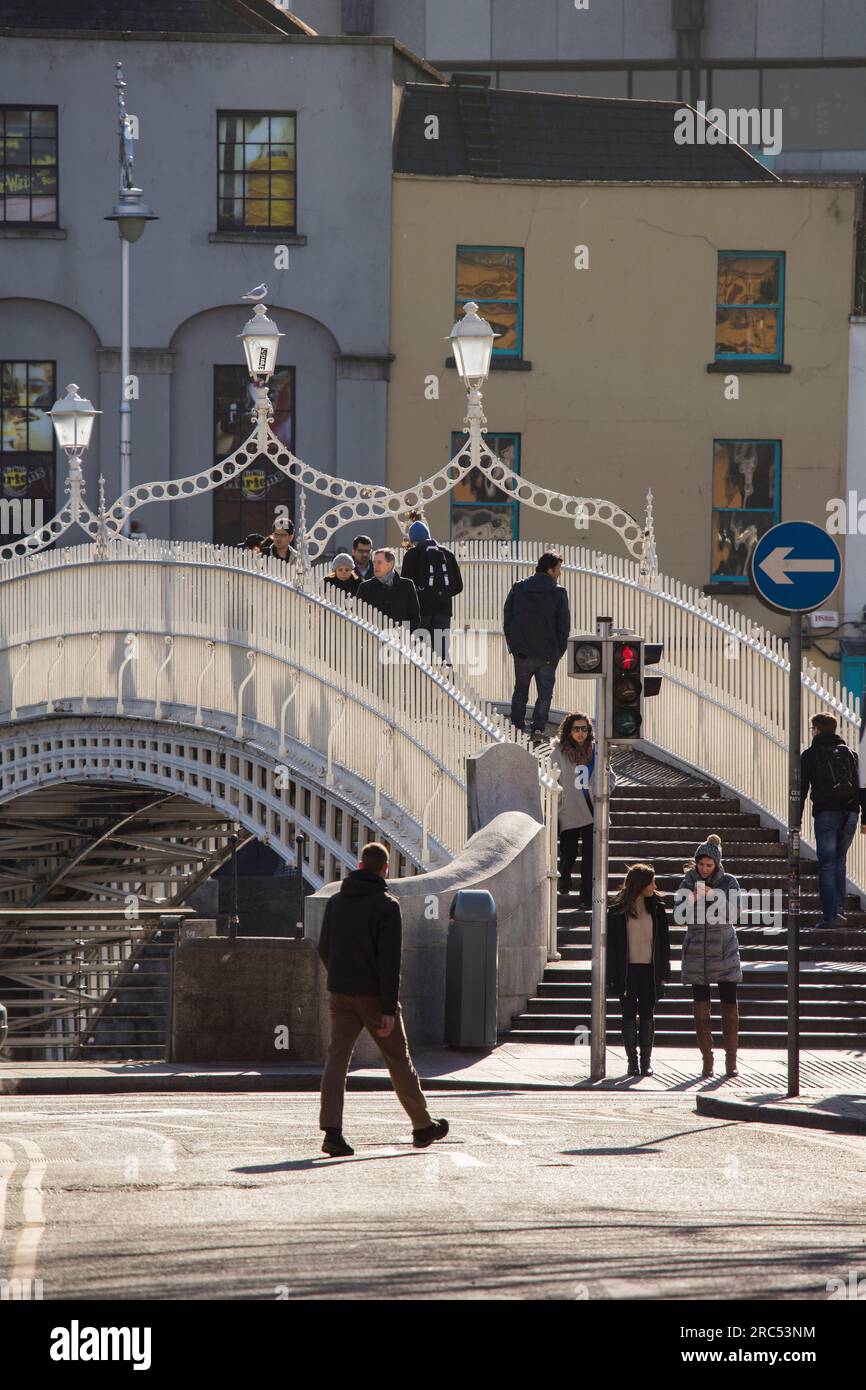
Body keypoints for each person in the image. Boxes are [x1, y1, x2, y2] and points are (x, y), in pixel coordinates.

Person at [317, 841, 449, 1156]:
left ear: (360, 866)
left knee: (336, 1062)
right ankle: (422, 1126)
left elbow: (323, 946)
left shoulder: (335, 902)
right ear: (385, 869)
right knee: (398, 1060)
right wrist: (388, 1008)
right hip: (374, 997)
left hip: (340, 993)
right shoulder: (387, 906)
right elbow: (390, 963)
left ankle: (331, 1133)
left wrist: (339, 976)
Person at [676, 834, 743, 1079]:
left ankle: (731, 1060)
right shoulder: (687, 882)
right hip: (697, 951)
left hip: (724, 950)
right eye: (701, 865)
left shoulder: (729, 881)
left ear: (716, 865)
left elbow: (736, 913)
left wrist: (714, 896)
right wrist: (690, 899)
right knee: (700, 1008)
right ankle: (707, 1061)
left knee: (729, 1005)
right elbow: (678, 916)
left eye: (709, 865)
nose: (704, 869)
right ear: (695, 863)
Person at [799, 713, 866, 928]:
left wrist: (797, 818)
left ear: (817, 729)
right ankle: (839, 908)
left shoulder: (810, 754)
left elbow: (801, 789)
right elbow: (862, 786)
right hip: (850, 814)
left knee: (826, 865)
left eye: (812, 729)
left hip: (826, 813)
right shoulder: (851, 754)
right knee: (839, 860)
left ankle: (829, 917)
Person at [606, 864, 670, 1078]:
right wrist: (611, 976)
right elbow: (612, 946)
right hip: (626, 971)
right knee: (628, 1015)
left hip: (650, 971)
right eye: (651, 881)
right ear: (640, 883)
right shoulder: (616, 910)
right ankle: (632, 1061)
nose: (655, 886)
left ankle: (646, 1062)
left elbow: (664, 944)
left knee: (647, 1015)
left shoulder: (658, 908)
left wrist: (664, 974)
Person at [503, 552, 570, 745]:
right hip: (548, 653)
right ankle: (538, 728)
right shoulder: (558, 593)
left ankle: (516, 725)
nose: (560, 572)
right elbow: (563, 625)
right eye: (558, 568)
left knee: (521, 689)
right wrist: (559, 650)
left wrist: (512, 641)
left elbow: (508, 614)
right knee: (545, 692)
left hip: (522, 651)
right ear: (550, 570)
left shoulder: (519, 587)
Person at [400, 519, 463, 665]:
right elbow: (458, 586)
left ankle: (419, 684)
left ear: (412, 539)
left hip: (420, 613)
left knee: (418, 652)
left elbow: (406, 586)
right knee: (442, 652)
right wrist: (442, 595)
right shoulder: (447, 554)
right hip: (443, 613)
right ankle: (447, 683)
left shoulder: (412, 555)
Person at [551, 711, 596, 907]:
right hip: (569, 810)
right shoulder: (559, 752)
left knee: (590, 857)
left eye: (584, 729)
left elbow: (609, 775)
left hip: (593, 810)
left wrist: (606, 790)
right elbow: (550, 778)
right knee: (568, 853)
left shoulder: (597, 751)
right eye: (576, 729)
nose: (580, 733)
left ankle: (586, 896)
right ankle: (565, 876)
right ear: (568, 731)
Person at [356, 548, 421, 630]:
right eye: (374, 562)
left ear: (391, 564)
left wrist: (403, 632)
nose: (375, 566)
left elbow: (414, 617)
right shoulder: (365, 587)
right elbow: (358, 617)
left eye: (379, 562)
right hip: (373, 638)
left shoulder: (407, 585)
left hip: (400, 640)